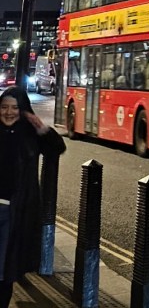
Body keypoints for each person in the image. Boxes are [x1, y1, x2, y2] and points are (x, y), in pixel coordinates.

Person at [0, 85, 66, 308]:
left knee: (6, 268)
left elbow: (57, 148)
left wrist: (42, 127)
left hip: (15, 211)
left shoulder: (29, 134)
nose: (9, 112)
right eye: (5, 107)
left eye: (15, 108)